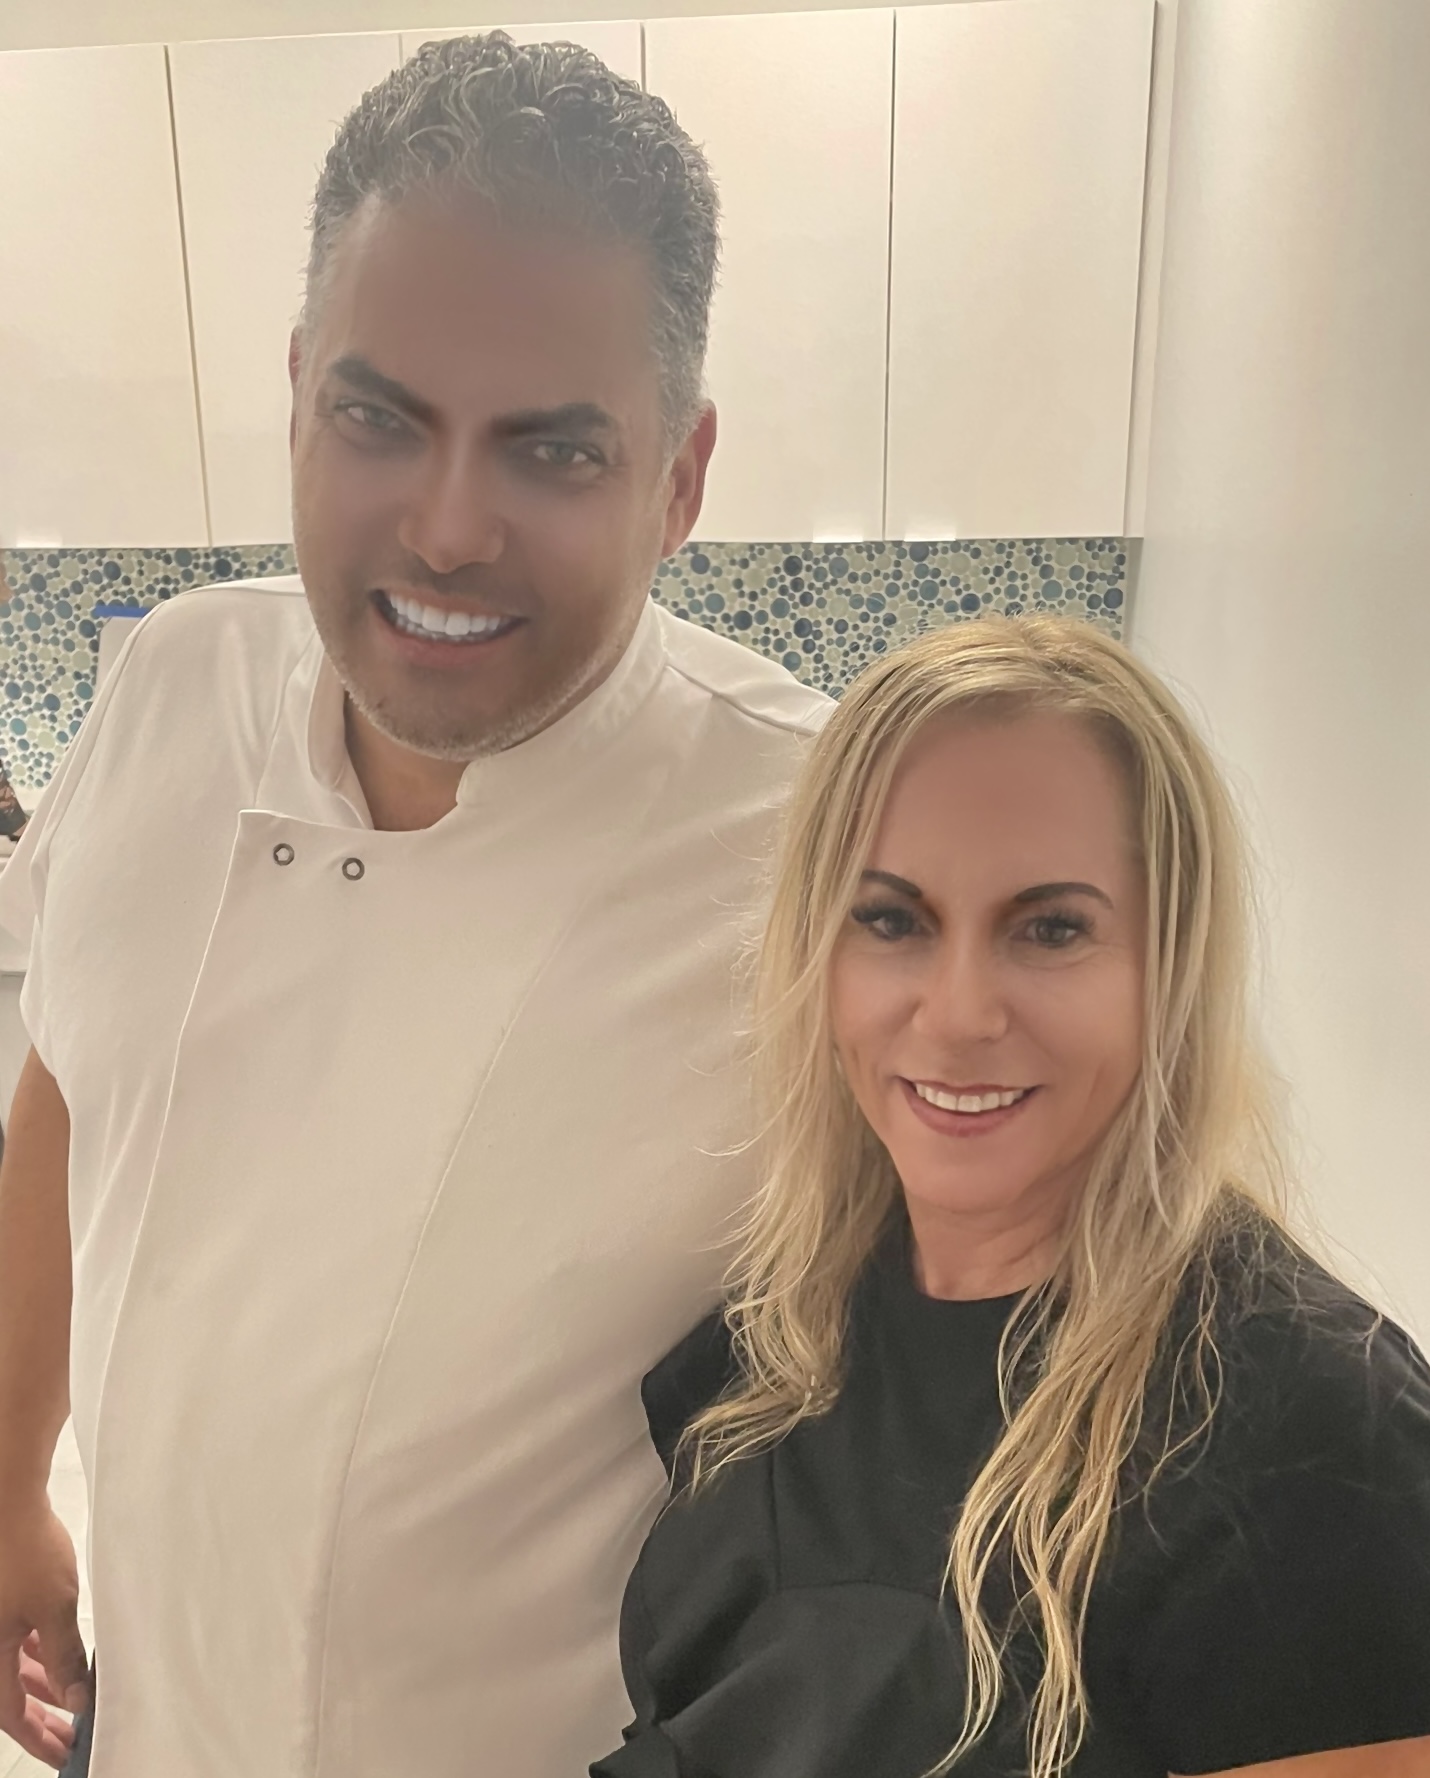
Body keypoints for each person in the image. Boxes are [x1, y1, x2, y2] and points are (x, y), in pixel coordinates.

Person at [0, 34, 829, 1777]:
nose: (448, 527)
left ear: (681, 477)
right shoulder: (163, 686)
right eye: (381, 418)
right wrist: (9, 1485)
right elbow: (68, 1089)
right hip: (145, 1724)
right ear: (299, 389)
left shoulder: (818, 835)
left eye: (553, 451)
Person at [594, 615, 1430, 1778]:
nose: (957, 1012)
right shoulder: (778, 1336)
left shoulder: (1313, 1432)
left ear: (1164, 965)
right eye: (890, 919)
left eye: (1049, 928)